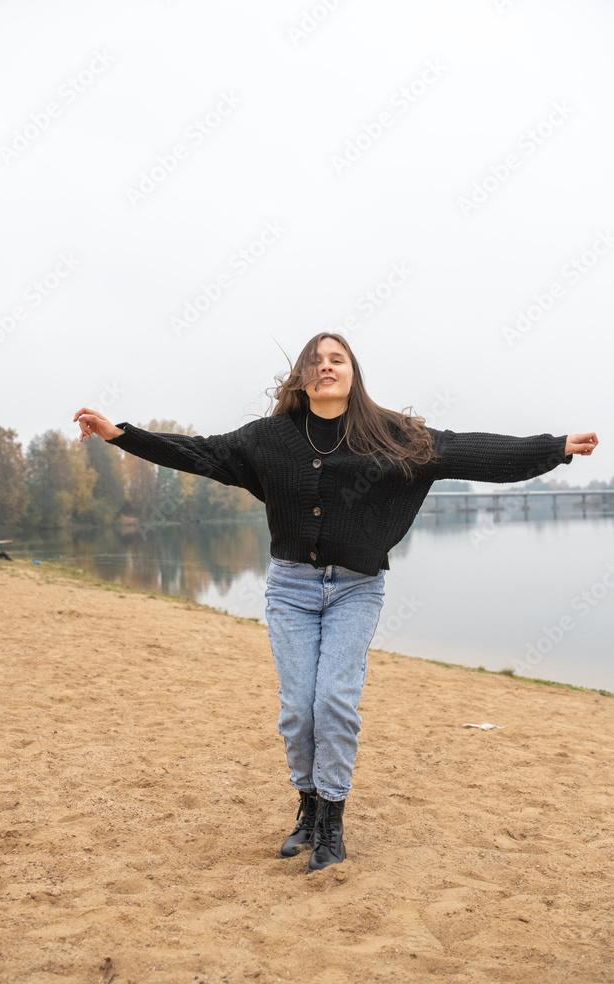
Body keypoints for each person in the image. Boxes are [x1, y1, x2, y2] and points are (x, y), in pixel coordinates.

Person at [73, 332, 598, 872]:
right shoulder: (269, 438)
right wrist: (120, 435)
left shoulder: (392, 435)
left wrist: (553, 447)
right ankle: (309, 805)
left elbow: (473, 451)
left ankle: (332, 822)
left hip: (355, 589)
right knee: (298, 709)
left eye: (336, 359)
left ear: (352, 372)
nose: (326, 367)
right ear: (301, 376)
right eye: (316, 361)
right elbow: (198, 451)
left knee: (333, 703)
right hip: (291, 589)